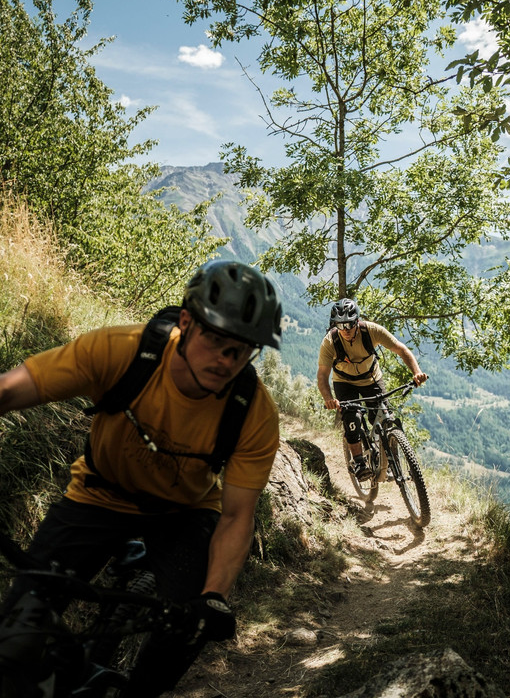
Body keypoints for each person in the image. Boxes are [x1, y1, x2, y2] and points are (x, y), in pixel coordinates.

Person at [0, 259, 283, 697]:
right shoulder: (122, 351)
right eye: (215, 340)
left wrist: (213, 598)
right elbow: (9, 390)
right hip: (98, 495)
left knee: (187, 627)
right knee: (17, 635)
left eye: (242, 350)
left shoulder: (253, 412)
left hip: (185, 513)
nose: (226, 360)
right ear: (186, 323)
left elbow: (236, 517)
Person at [316, 298, 427, 480]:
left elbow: (402, 350)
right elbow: (322, 376)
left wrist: (417, 372)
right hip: (344, 382)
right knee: (352, 419)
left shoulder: (372, 331)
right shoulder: (330, 341)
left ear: (357, 322)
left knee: (385, 416)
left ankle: (393, 462)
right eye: (340, 325)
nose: (344, 330)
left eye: (349, 325)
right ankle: (359, 461)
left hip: (371, 378)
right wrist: (328, 398)